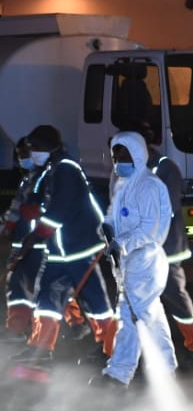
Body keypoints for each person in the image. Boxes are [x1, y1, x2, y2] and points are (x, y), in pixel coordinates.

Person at [9, 124, 118, 370]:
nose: (33, 152)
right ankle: (40, 349)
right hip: (58, 250)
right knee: (47, 298)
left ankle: (112, 348)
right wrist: (33, 206)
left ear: (51, 146)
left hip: (79, 248)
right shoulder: (50, 169)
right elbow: (40, 196)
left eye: (36, 147)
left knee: (95, 301)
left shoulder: (67, 169)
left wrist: (34, 236)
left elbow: (60, 209)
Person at [91, 131, 178, 390]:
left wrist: (121, 243)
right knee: (133, 318)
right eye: (116, 155)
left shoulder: (149, 185)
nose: (119, 161)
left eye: (124, 155)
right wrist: (106, 228)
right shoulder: (124, 184)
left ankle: (159, 372)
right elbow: (113, 216)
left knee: (144, 318)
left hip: (145, 262)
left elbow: (150, 229)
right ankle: (124, 373)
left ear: (138, 155)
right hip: (128, 263)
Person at [135, 121, 193, 368]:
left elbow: (165, 208)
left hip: (165, 248)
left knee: (174, 295)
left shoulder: (166, 169)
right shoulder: (130, 168)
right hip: (138, 247)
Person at [2, 136, 46, 344]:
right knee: (18, 286)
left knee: (41, 288)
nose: (22, 159)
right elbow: (15, 210)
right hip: (23, 244)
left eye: (25, 155)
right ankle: (18, 329)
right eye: (19, 156)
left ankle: (63, 327)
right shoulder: (28, 180)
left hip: (38, 245)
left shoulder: (44, 179)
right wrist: (7, 225)